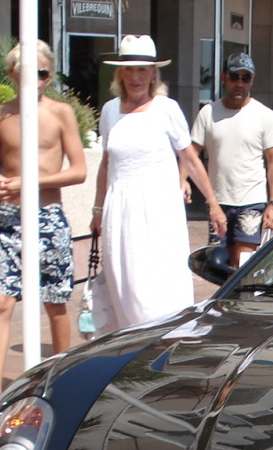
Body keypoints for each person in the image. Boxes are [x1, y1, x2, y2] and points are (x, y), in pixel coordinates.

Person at [0, 40, 86, 419]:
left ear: (49, 75)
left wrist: (28, 182)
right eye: (26, 73)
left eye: (41, 73)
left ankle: (58, 375)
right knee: (2, 300)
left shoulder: (60, 113)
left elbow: (78, 169)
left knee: (55, 302)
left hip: (48, 215)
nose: (34, 80)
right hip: (9, 217)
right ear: (12, 74)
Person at [89, 35, 225, 335]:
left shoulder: (166, 109)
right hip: (119, 214)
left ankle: (166, 348)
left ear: (153, 74)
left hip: (158, 213)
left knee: (156, 292)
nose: (135, 76)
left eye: (142, 70)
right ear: (119, 73)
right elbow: (106, 163)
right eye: (129, 69)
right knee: (123, 289)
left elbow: (190, 159)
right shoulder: (110, 111)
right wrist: (97, 210)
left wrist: (213, 205)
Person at [189, 52, 273, 267]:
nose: (239, 83)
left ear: (252, 80)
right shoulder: (208, 112)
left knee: (243, 264)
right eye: (234, 77)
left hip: (251, 201)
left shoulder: (264, 114)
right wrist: (181, 180)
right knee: (218, 264)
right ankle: (224, 302)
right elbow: (191, 153)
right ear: (224, 77)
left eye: (245, 78)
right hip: (218, 202)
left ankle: (239, 301)